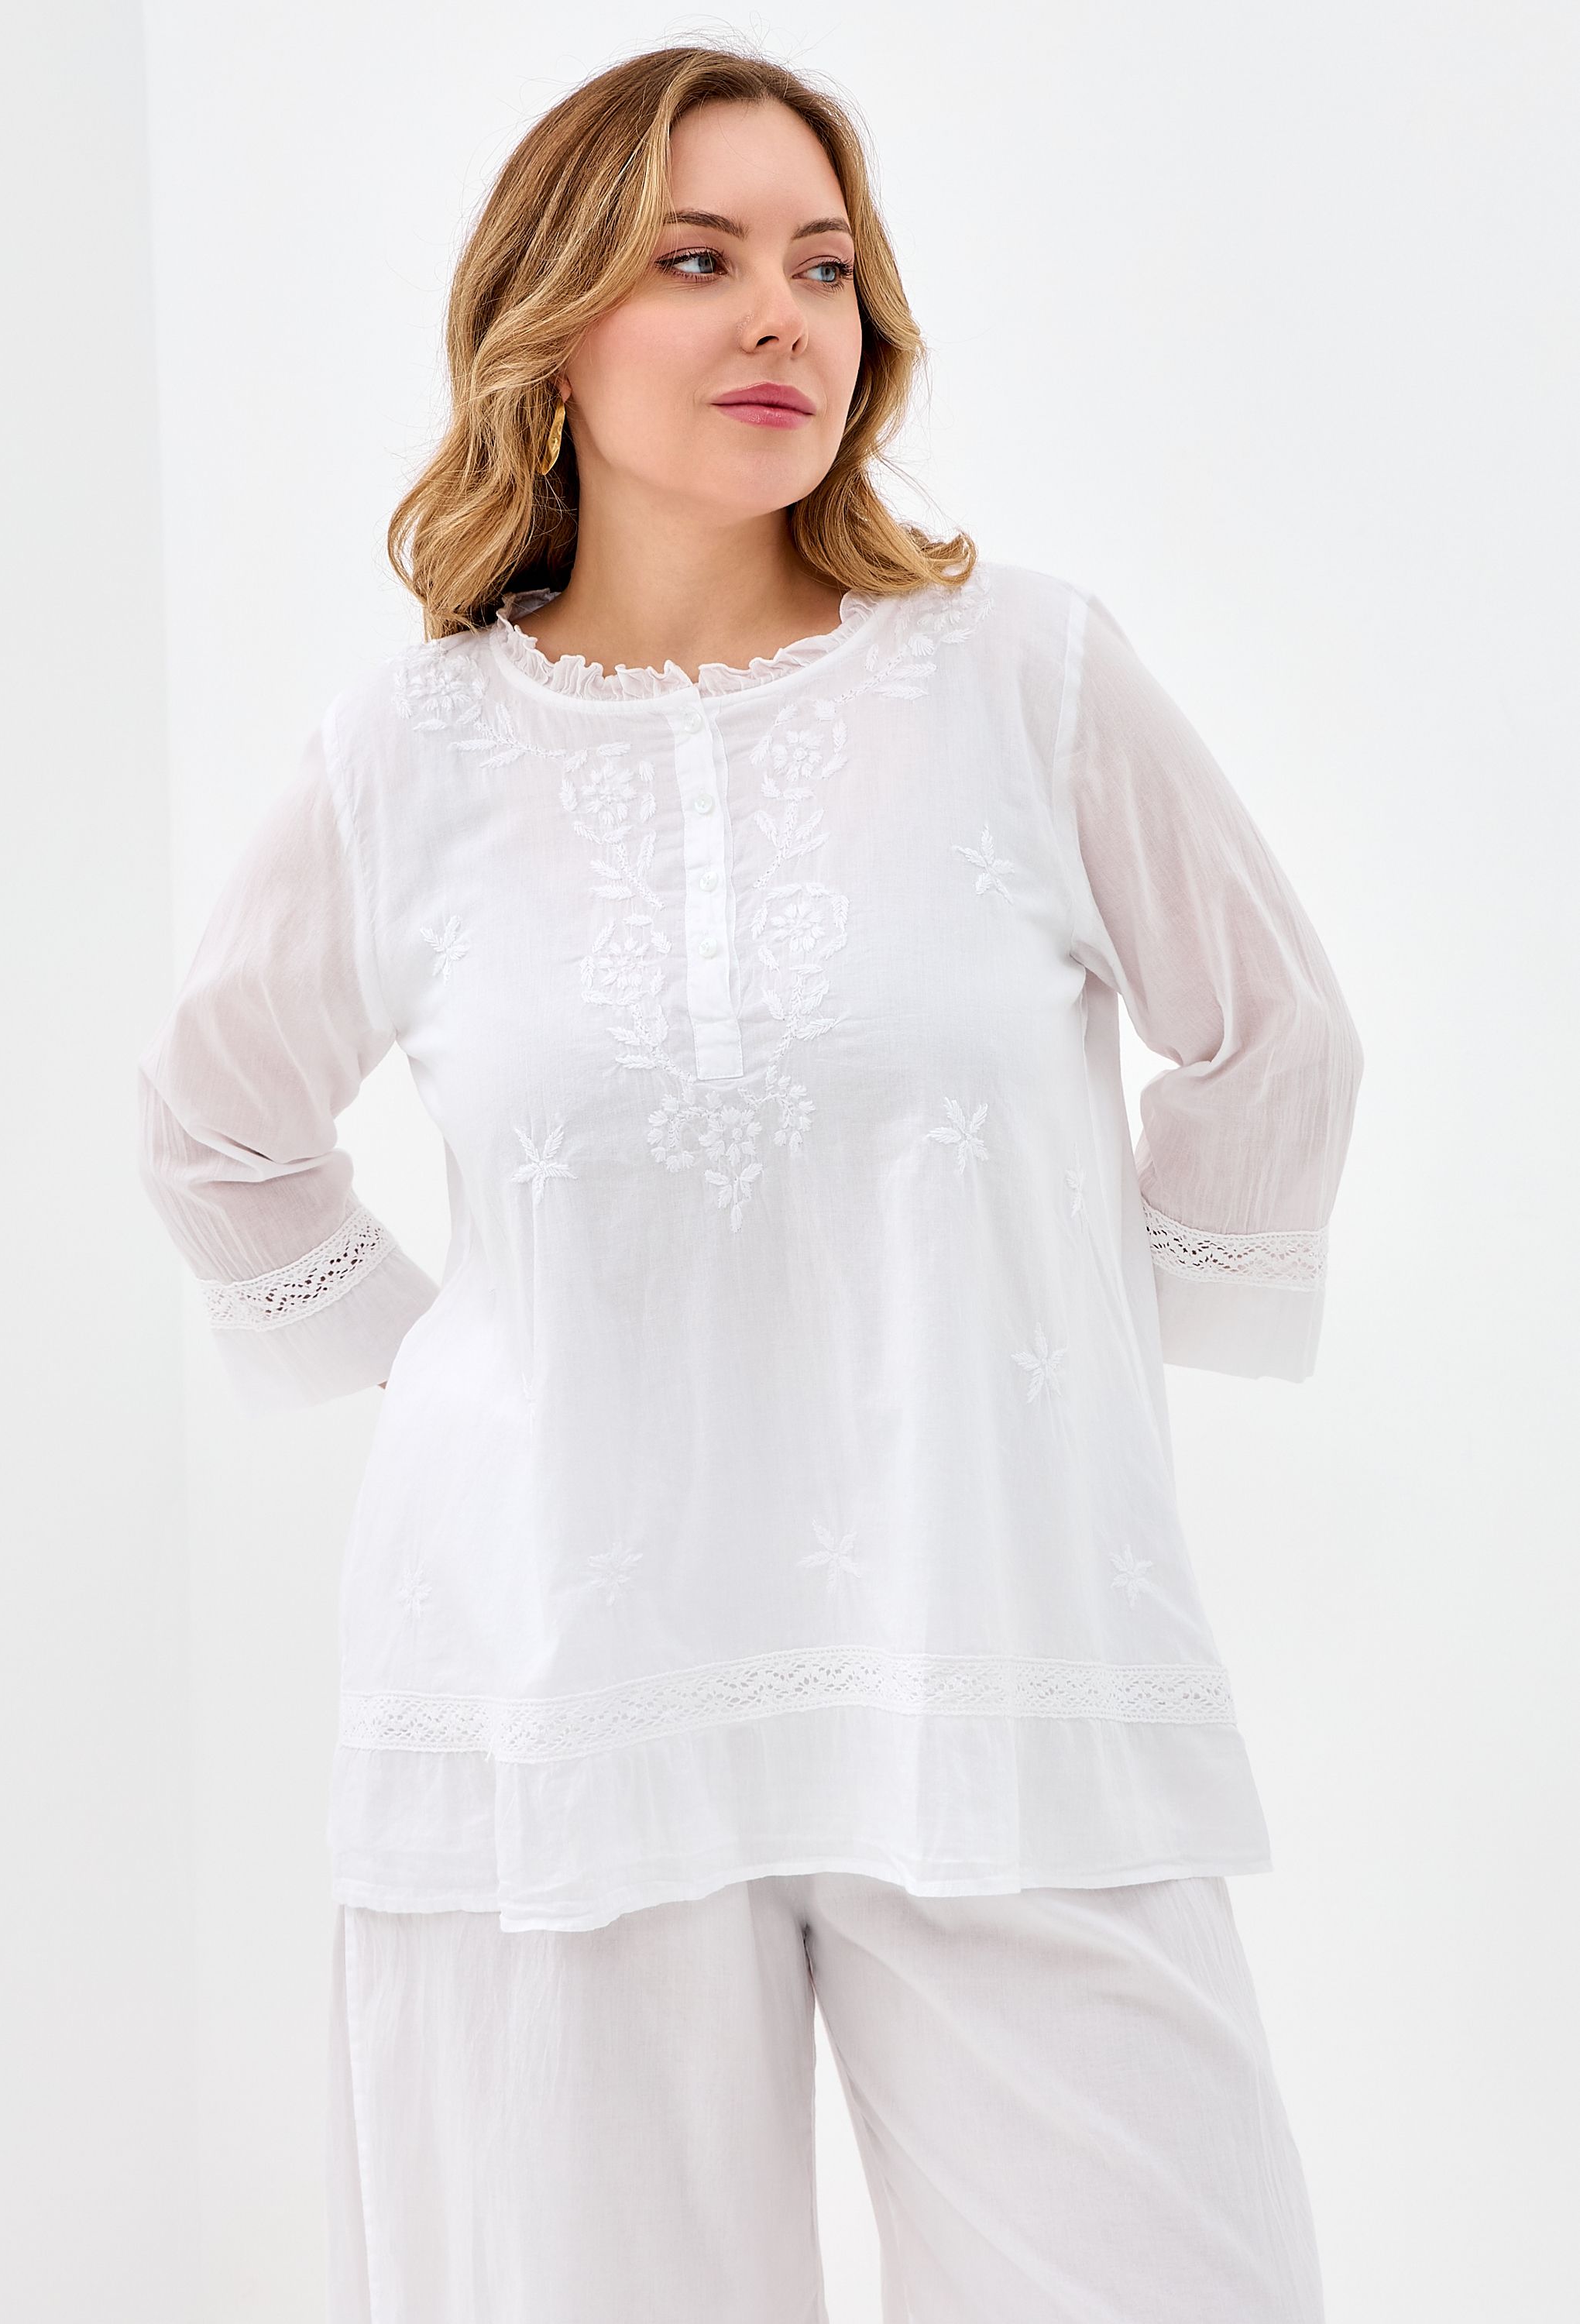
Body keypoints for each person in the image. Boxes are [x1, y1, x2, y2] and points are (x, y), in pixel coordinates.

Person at [136, 40, 1362, 2324]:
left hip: (994, 1659)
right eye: (695, 260)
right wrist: (465, 1390)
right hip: (555, 1697)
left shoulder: (1021, 676)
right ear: (548, 324)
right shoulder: (413, 754)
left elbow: (1273, 1029)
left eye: (823, 263)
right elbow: (212, 1120)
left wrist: (1078, 1353)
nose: (782, 314)